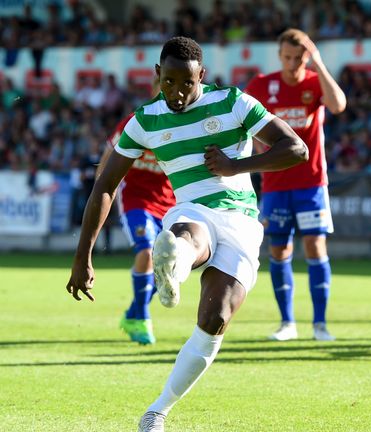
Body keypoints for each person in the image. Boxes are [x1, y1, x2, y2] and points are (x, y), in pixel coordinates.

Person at [65, 37, 308, 432]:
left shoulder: (232, 102)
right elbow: (105, 186)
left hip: (243, 222)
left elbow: (296, 149)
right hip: (193, 210)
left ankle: (156, 410)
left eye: (187, 84)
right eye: (170, 82)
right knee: (187, 234)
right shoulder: (144, 121)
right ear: (157, 75)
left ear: (203, 77)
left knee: (216, 318)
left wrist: (236, 165)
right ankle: (172, 268)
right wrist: (82, 257)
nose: (177, 93)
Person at [244, 28, 347, 342]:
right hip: (274, 183)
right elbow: (241, 120)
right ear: (279, 56)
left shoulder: (315, 84)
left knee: (315, 247)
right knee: (279, 248)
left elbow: (339, 105)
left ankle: (320, 324)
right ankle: (287, 322)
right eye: (287, 57)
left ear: (307, 56)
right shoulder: (262, 85)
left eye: (299, 57)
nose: (292, 64)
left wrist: (319, 63)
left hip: (312, 181)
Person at [96, 78, 176, 345]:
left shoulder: (186, 125)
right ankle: (141, 318)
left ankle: (132, 313)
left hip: (172, 205)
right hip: (136, 200)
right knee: (146, 252)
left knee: (168, 269)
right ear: (154, 90)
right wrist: (100, 192)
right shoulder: (137, 121)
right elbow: (109, 157)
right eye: (165, 88)